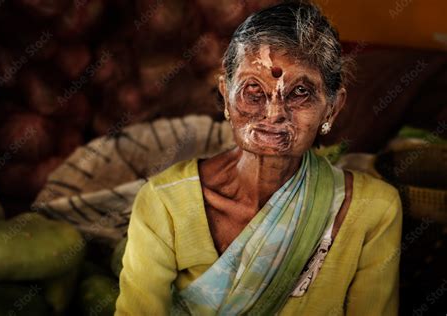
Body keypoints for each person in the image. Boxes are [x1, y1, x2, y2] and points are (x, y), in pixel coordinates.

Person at [115, 1, 402, 315]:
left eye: (301, 92)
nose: (274, 113)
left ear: (332, 107)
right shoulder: (164, 203)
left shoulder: (374, 210)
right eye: (253, 89)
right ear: (226, 95)